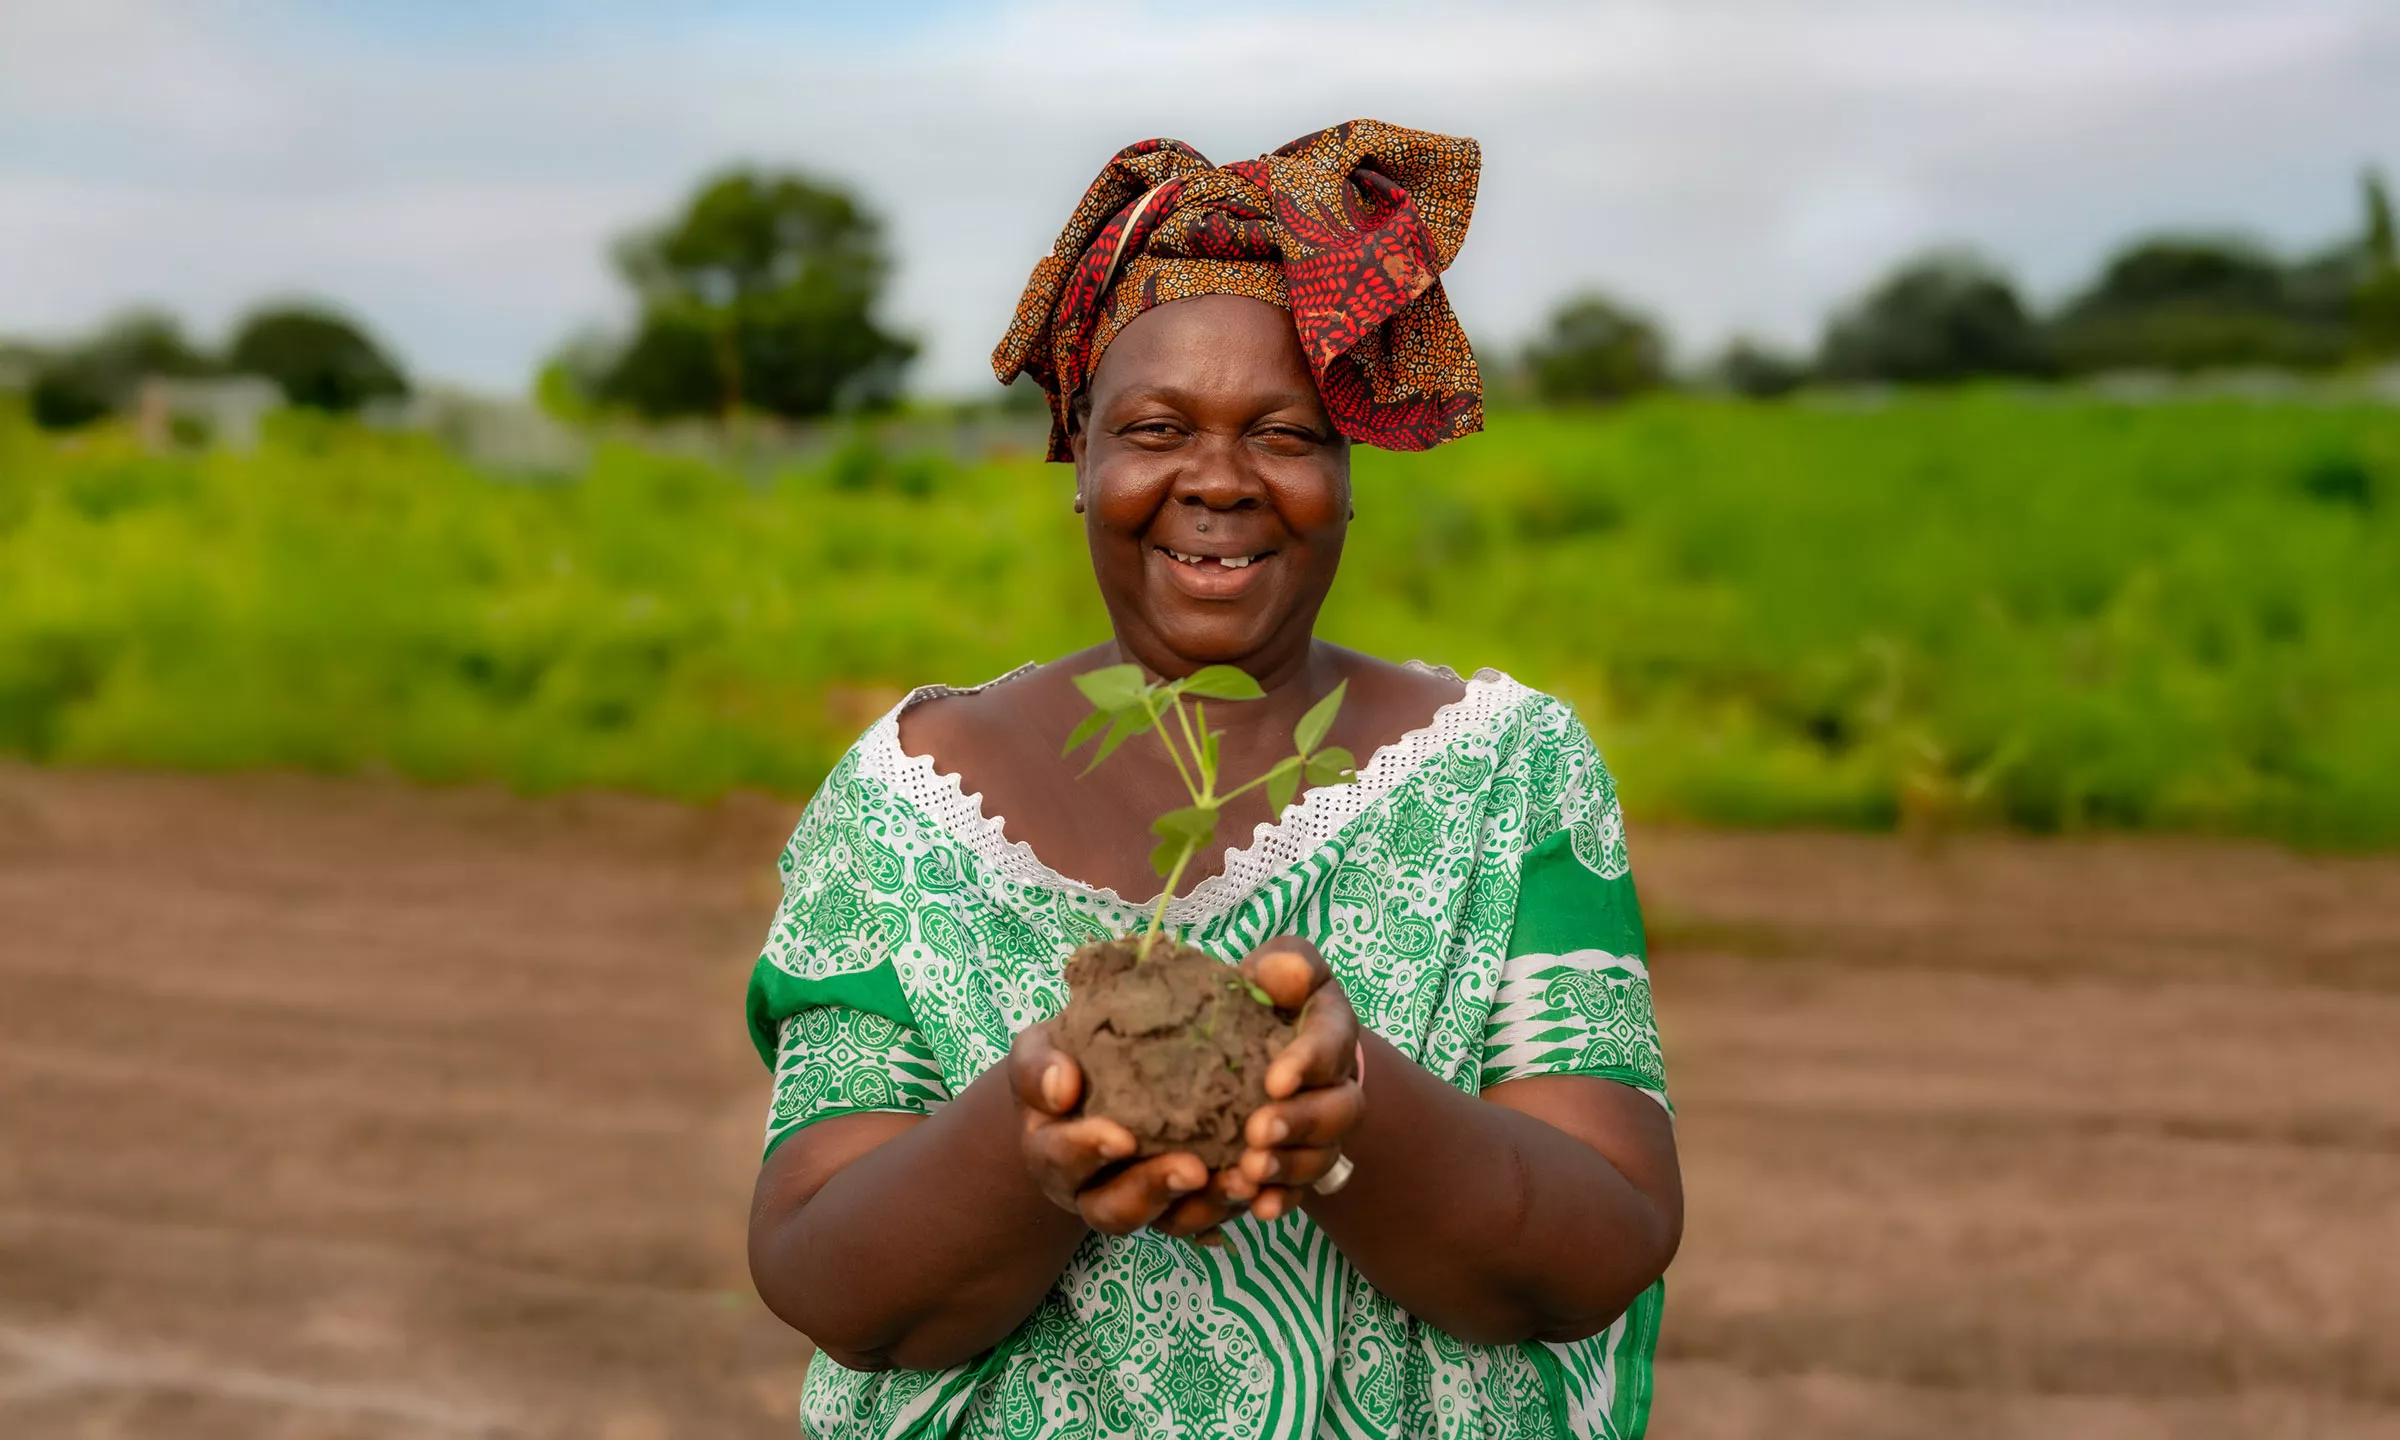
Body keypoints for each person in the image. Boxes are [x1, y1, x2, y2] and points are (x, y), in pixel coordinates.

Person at [745, 120, 1681, 1440]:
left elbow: (1603, 1241)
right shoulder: (906, 799)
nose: (1220, 482)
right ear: (1079, 457)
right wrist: (1030, 1144)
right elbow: (827, 1275)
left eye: (1285, 434)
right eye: (1157, 426)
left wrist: (1350, 1124)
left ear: (1348, 481)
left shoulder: (1506, 774)